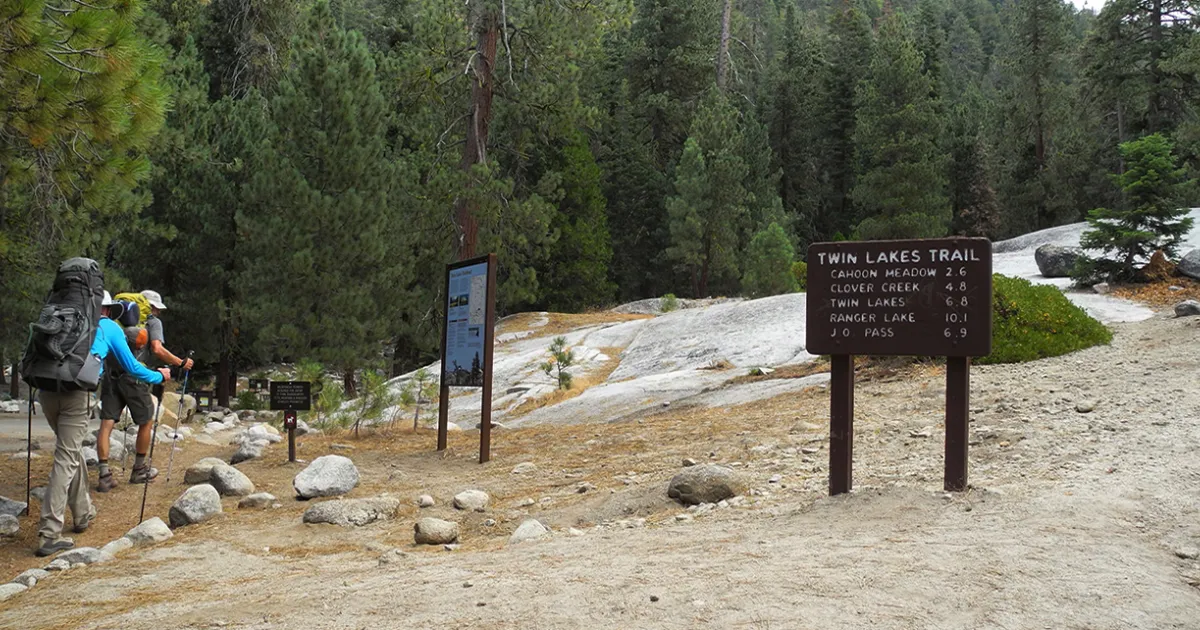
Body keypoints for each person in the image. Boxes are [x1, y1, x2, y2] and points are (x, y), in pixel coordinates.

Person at [37, 292, 170, 557]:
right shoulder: (107, 326)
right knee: (66, 457)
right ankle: (48, 534)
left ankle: (82, 513)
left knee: (70, 451)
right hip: (77, 394)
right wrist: (158, 375)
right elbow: (131, 366)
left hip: (46, 390)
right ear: (106, 309)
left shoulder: (55, 318)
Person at [93, 290, 191, 491]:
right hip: (135, 377)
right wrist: (179, 363)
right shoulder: (152, 321)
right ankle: (139, 469)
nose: (159, 313)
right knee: (146, 420)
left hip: (111, 376)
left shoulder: (116, 319)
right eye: (158, 309)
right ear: (152, 306)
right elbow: (157, 348)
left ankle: (104, 474)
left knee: (107, 422)